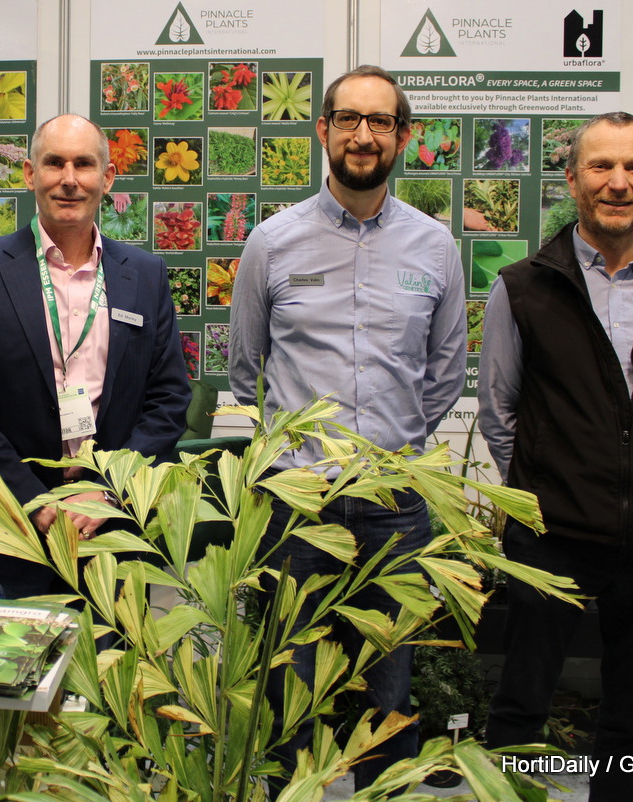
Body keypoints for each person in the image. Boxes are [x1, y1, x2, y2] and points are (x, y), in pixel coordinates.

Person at [228, 65, 466, 790]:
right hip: (297, 506)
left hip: (396, 506)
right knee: (289, 695)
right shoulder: (272, 243)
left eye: (381, 121)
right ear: (323, 130)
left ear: (403, 135)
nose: (364, 135)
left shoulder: (436, 247)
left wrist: (391, 450)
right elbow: (245, 370)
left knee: (387, 697)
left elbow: (445, 374)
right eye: (349, 120)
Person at [479, 112, 633, 802]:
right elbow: (499, 412)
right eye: (601, 166)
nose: (618, 182)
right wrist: (545, 492)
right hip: (551, 536)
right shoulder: (524, 286)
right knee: (522, 705)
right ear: (572, 177)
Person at [0, 114, 190, 598]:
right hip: (11, 529)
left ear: (107, 178)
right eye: (54, 163)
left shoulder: (145, 274)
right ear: (30, 174)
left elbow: (169, 399)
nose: (69, 179)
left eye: (84, 164)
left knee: (113, 645)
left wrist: (108, 490)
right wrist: (33, 499)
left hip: (113, 531)